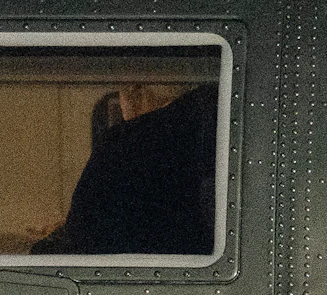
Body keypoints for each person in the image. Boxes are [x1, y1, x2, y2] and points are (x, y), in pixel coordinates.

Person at [30, 83, 217, 255]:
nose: (121, 107)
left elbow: (84, 239)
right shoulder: (213, 118)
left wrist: (45, 245)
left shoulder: (121, 147)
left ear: (135, 93)